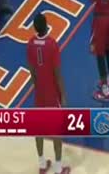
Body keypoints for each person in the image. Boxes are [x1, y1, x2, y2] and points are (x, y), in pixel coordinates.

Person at [27, 13, 70, 174]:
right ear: (46, 25)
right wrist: (63, 96)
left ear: (35, 28)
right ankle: (59, 168)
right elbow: (57, 74)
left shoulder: (30, 44)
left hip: (39, 92)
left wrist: (37, 86)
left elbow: (32, 71)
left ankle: (42, 164)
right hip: (52, 92)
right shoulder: (52, 44)